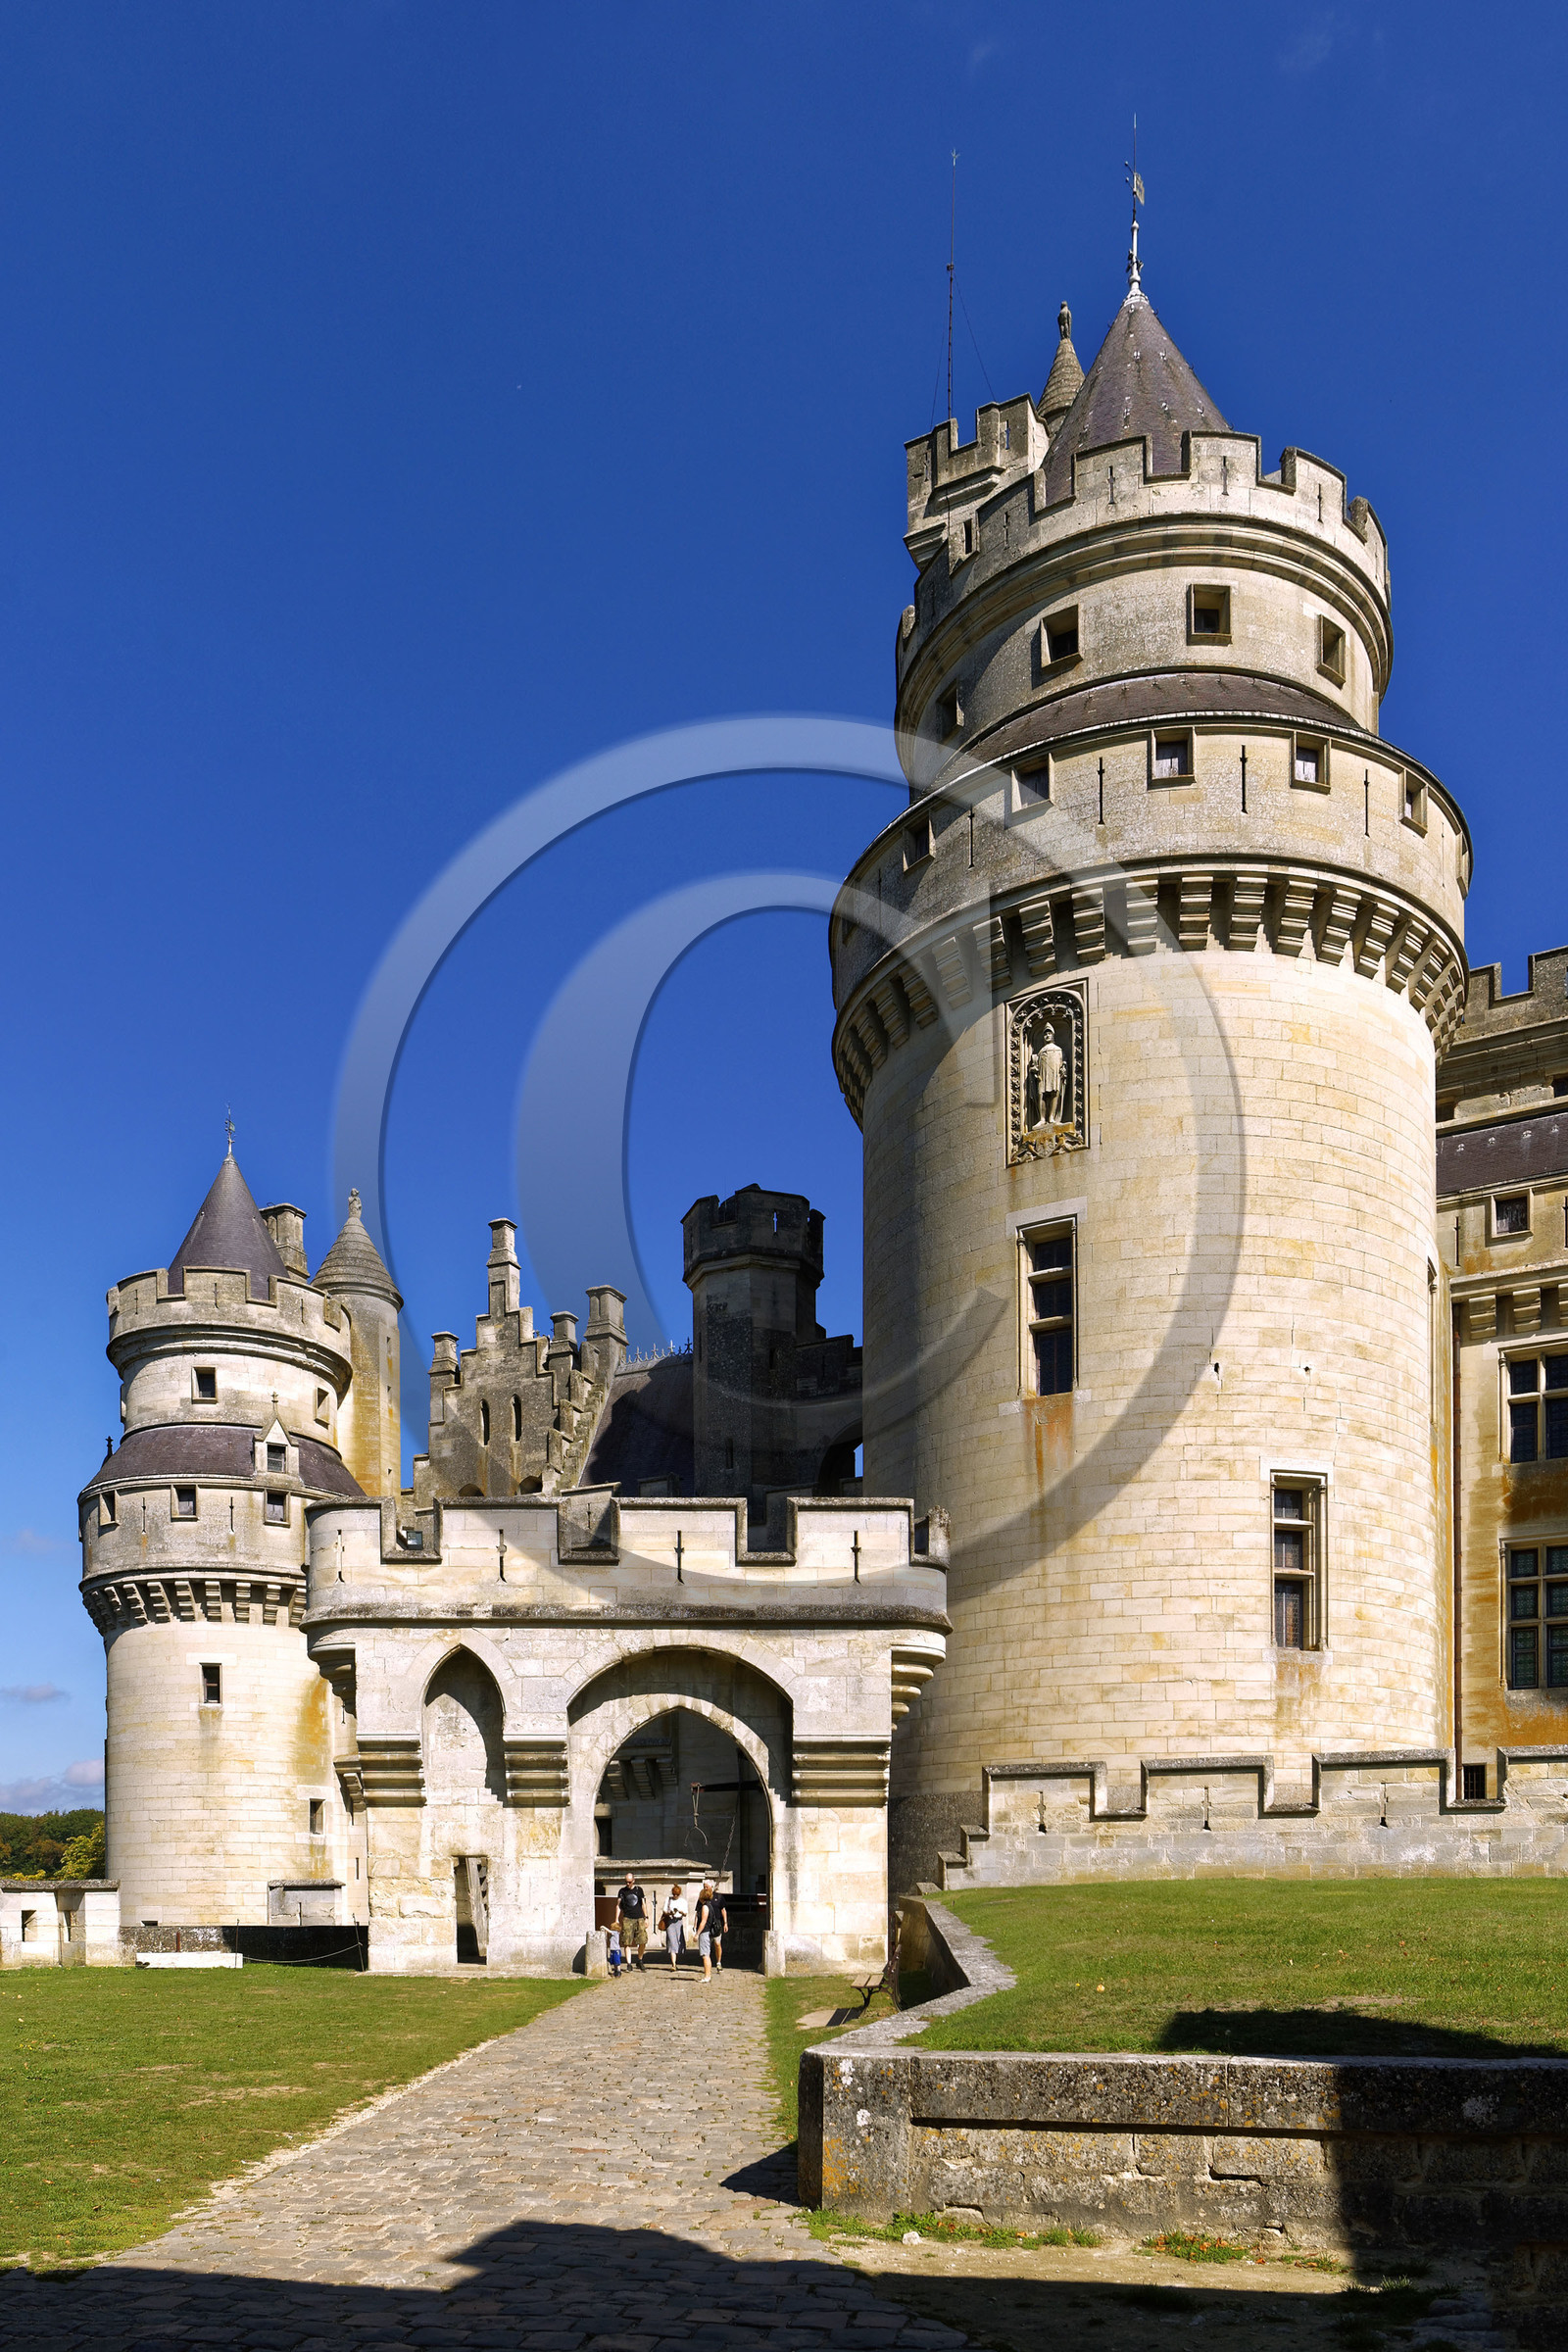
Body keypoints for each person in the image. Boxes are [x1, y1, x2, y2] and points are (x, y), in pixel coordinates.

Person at [615, 1871, 649, 1971]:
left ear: (633, 1881)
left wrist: (646, 1917)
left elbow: (643, 1904)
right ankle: (629, 1963)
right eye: (626, 1882)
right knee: (627, 1942)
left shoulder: (639, 1890)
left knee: (642, 1941)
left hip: (639, 1918)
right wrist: (616, 1919)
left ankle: (640, 1960)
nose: (628, 1884)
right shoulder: (622, 1891)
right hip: (627, 1918)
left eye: (629, 1882)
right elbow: (618, 1906)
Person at [695, 1881, 727, 1983]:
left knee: (706, 1954)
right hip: (707, 1930)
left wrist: (697, 1934)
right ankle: (707, 1975)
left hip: (705, 1931)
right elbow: (697, 1915)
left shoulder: (705, 1906)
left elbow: (703, 1921)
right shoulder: (707, 1905)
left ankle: (707, 1975)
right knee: (706, 1953)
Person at [662, 1881, 687, 1971]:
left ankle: (676, 1961)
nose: (675, 1896)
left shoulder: (683, 1901)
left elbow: (685, 1913)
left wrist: (680, 1912)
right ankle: (673, 1964)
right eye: (674, 1894)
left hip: (679, 1922)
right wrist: (670, 1912)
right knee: (672, 1942)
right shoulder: (668, 1899)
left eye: (677, 1894)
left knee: (679, 1941)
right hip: (670, 1922)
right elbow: (664, 1910)